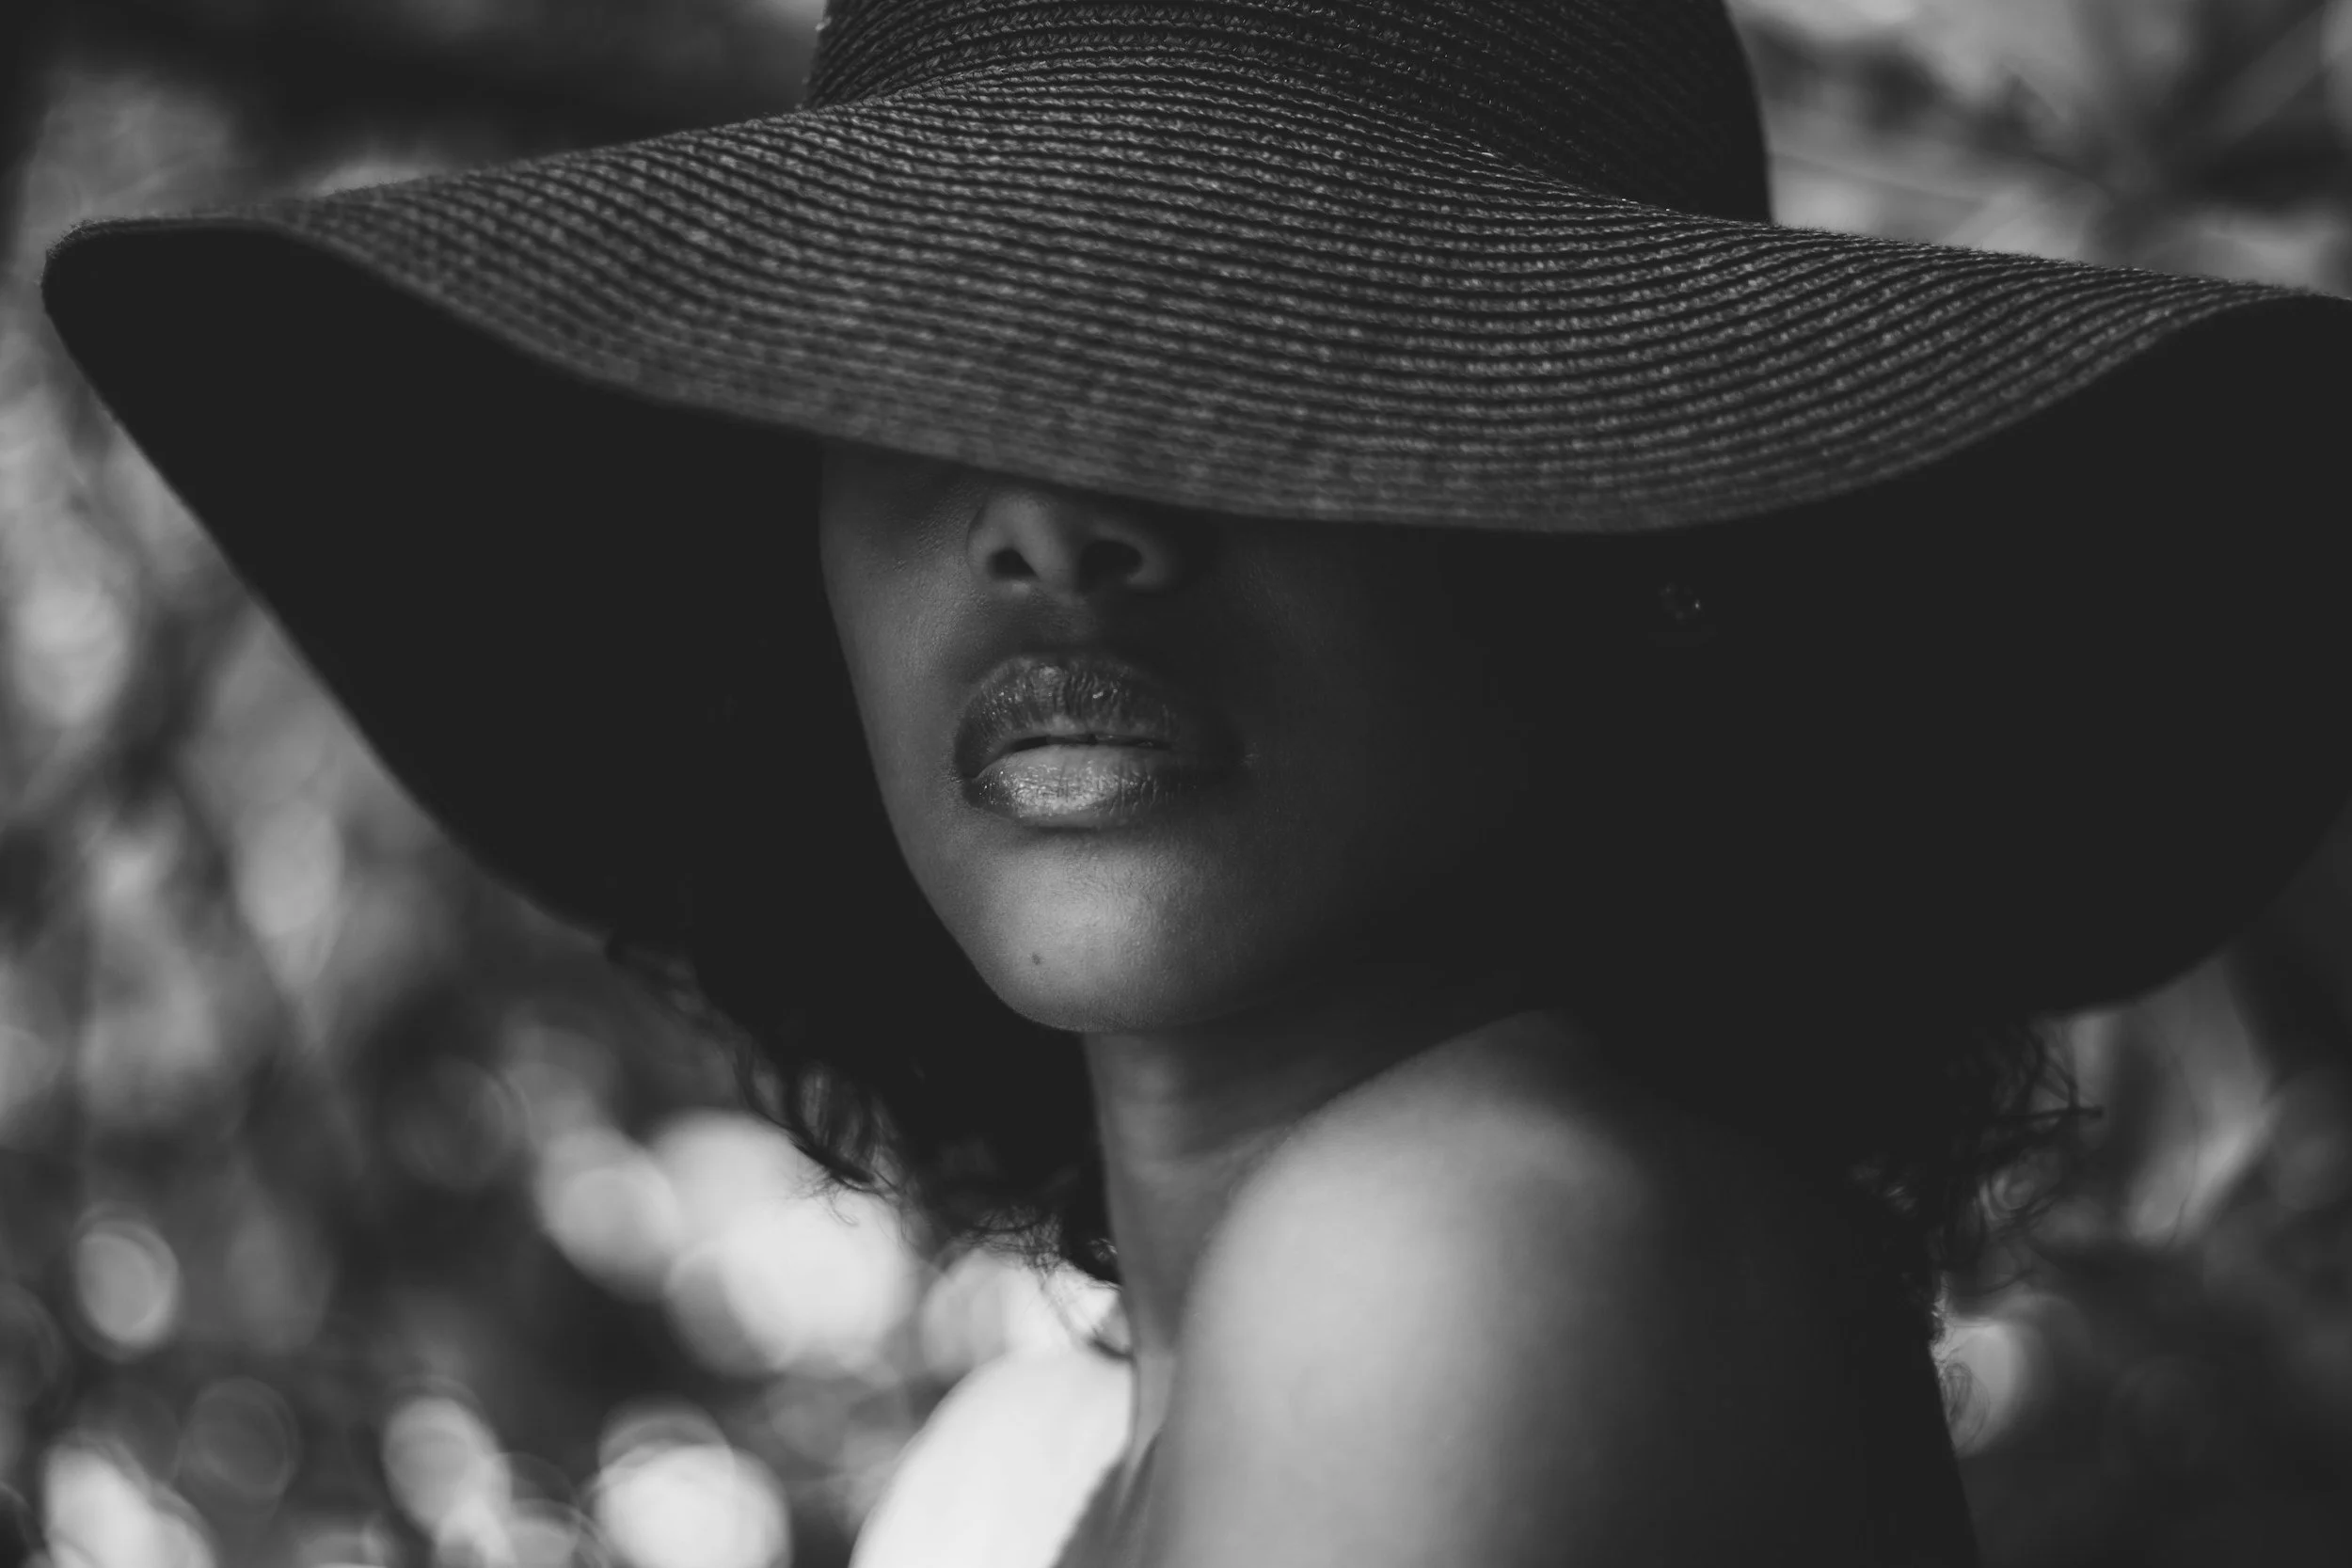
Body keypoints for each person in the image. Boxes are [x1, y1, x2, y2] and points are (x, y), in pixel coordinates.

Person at [36, 1, 2352, 1563]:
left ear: (1634, 535)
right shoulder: (1093, 1439)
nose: (1056, 520)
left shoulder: (1470, 1244)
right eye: (924, 368)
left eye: (1271, 359)